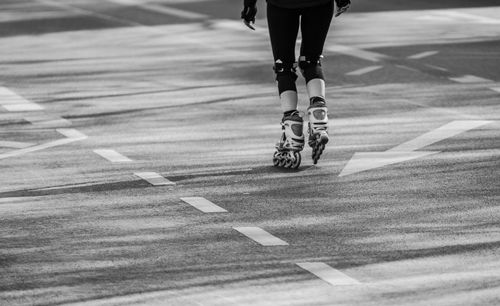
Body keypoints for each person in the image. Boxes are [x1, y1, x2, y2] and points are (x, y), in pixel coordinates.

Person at [241, 0, 350, 168]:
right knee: (311, 61)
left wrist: (249, 5)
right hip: (320, 3)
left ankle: (292, 133)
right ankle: (318, 116)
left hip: (281, 4)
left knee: (283, 67)